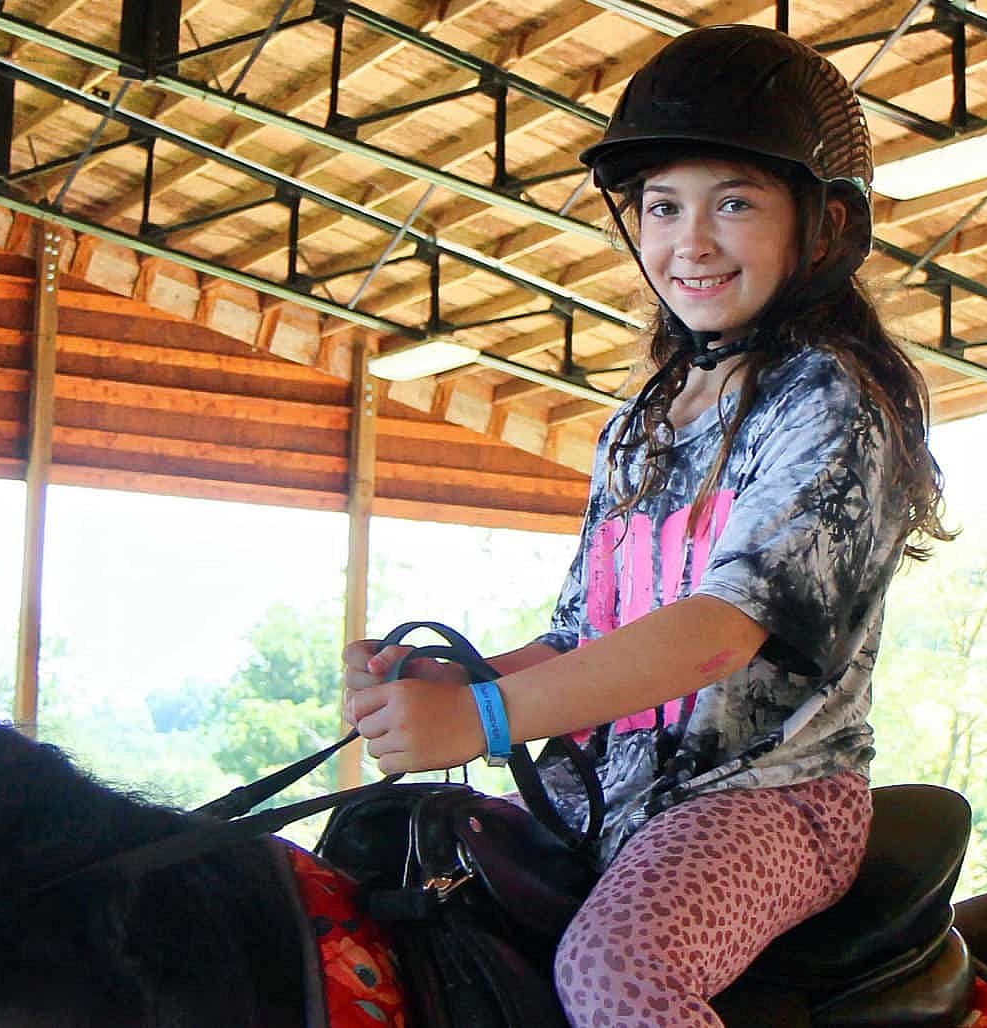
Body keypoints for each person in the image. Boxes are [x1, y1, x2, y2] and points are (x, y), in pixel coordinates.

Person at [339, 24, 953, 1028]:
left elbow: (717, 629)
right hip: (609, 797)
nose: (690, 240)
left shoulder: (828, 400)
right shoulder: (637, 425)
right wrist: (472, 679)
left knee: (618, 971)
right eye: (663, 206)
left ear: (826, 226)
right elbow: (585, 641)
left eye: (736, 203)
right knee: (399, 866)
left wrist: (484, 725)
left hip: (765, 800)